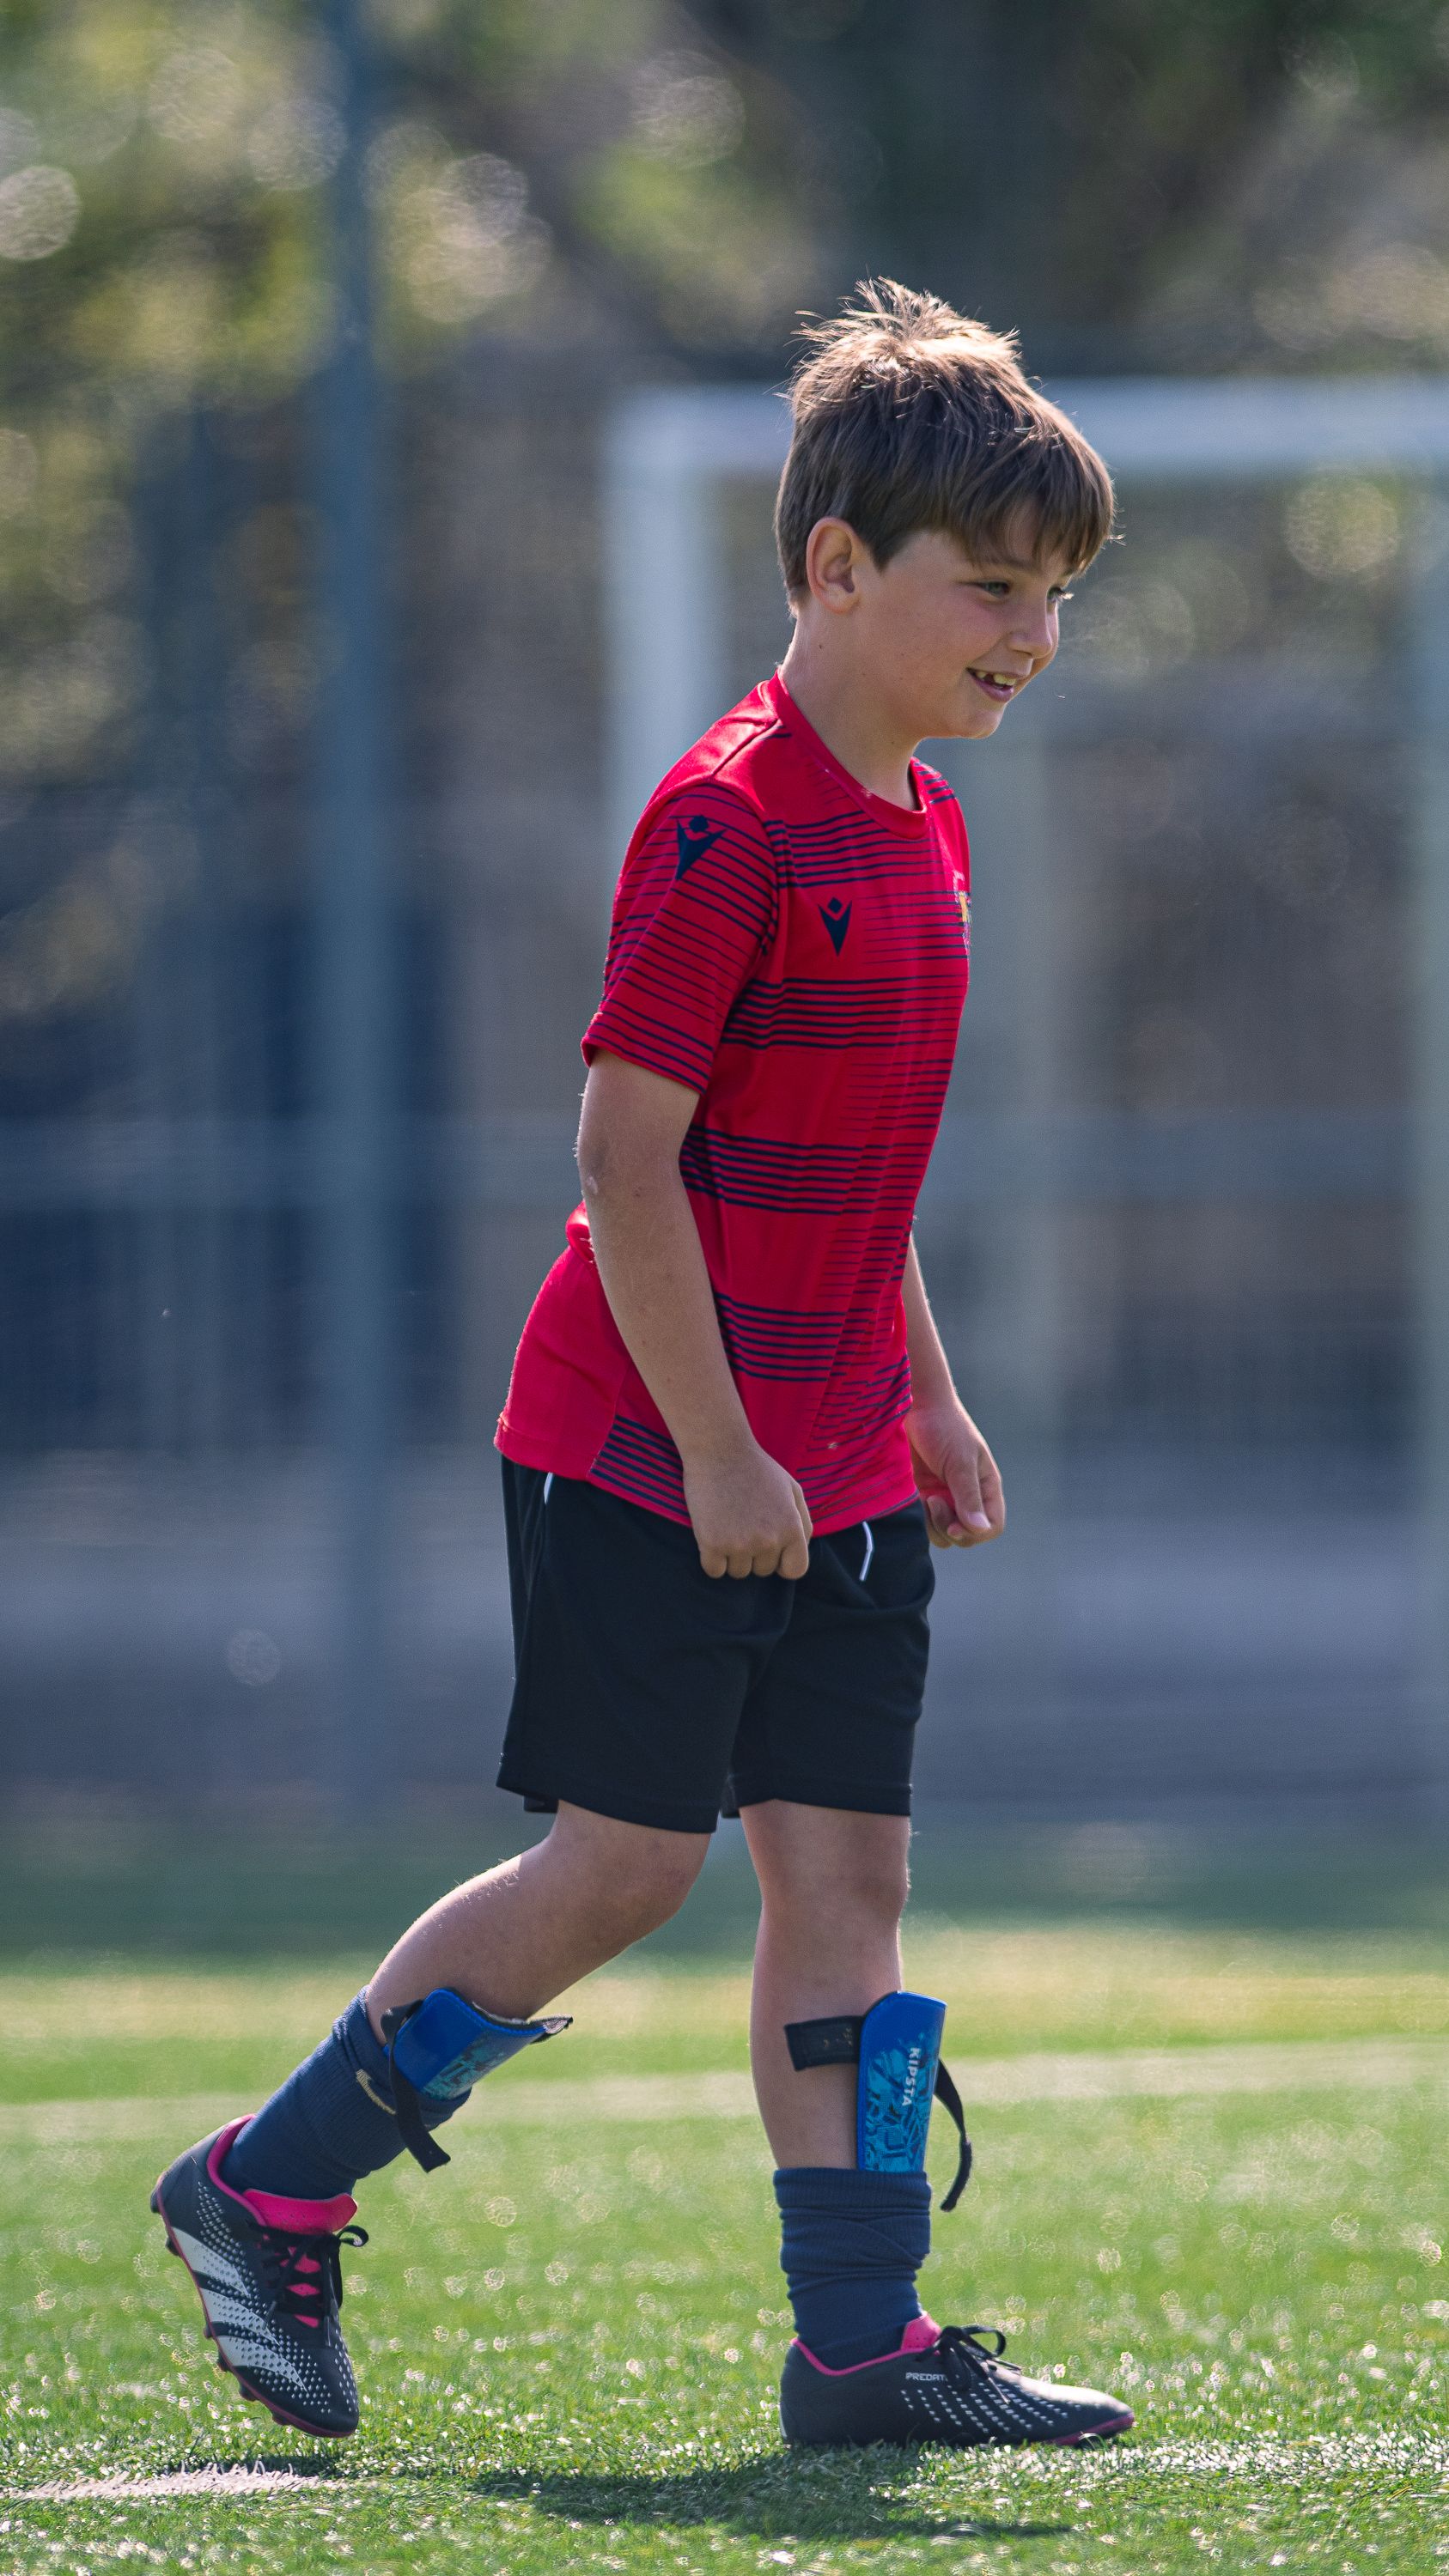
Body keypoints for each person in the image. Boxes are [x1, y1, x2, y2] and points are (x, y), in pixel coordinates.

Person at [150, 279, 1133, 2452]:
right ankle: (264, 2185)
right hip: (643, 1450)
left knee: (847, 1888)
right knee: (626, 1869)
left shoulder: (928, 826)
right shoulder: (726, 821)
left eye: (1057, 595)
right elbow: (626, 1160)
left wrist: (928, 1396)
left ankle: (859, 2351)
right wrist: (714, 1448)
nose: (1030, 635)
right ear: (835, 568)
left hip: (839, 1461)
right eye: (994, 587)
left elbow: (842, 1179)